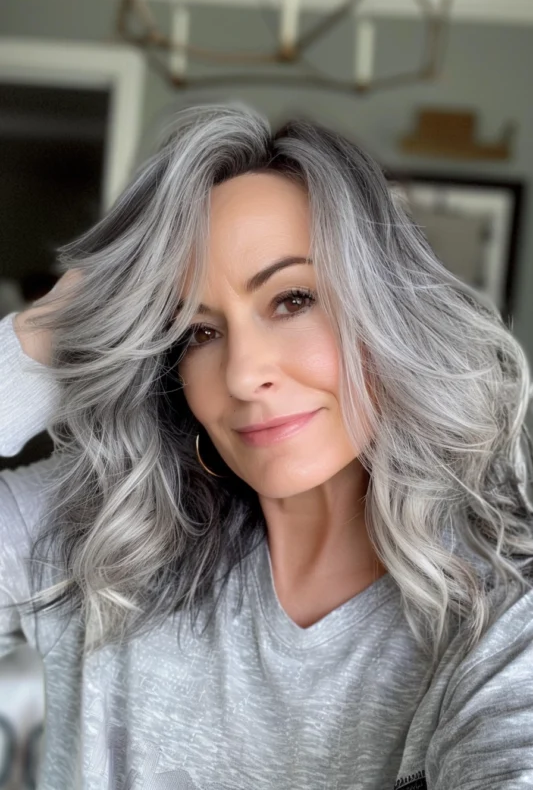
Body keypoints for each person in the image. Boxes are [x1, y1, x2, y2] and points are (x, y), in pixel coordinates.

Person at [1, 102, 533, 790]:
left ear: (387, 310)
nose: (245, 374)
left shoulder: (501, 608)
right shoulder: (94, 540)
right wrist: (46, 333)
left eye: (291, 300)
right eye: (198, 331)